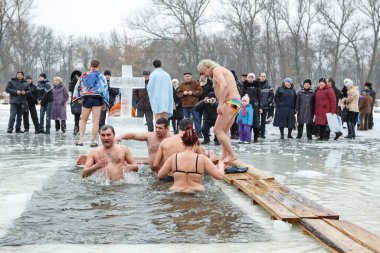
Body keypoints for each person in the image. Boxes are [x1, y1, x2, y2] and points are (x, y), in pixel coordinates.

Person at [157, 125, 225, 193]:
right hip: (196, 193)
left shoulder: (174, 157)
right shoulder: (202, 158)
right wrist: (221, 165)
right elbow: (219, 176)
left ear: (183, 142)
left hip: (176, 192)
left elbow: (160, 175)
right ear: (196, 142)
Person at [197, 59, 241, 163]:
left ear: (208, 67)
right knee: (225, 131)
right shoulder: (221, 70)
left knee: (217, 130)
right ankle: (225, 156)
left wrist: (220, 103)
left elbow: (224, 86)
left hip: (229, 102)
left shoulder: (216, 70)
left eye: (203, 72)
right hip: (236, 102)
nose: (204, 75)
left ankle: (232, 154)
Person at [72, 60, 110, 147]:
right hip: (97, 100)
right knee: (96, 121)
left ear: (90, 65)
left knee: (83, 120)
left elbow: (78, 87)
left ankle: (81, 140)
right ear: (98, 66)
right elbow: (105, 89)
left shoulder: (84, 75)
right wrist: (105, 102)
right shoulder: (101, 76)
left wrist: (79, 97)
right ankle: (92, 141)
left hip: (87, 99)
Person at [176, 72, 203, 137]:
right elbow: (178, 94)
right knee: (186, 120)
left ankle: (198, 133)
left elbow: (200, 91)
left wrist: (192, 92)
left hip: (194, 104)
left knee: (196, 118)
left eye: (188, 76)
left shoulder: (196, 83)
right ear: (184, 77)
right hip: (185, 104)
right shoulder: (181, 84)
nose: (187, 77)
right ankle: (188, 132)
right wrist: (183, 93)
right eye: (186, 76)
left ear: (191, 77)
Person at [241, 73, 262, 142]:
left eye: (252, 77)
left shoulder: (257, 86)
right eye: (249, 77)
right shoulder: (244, 86)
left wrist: (260, 107)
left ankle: (256, 137)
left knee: (256, 123)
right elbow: (241, 96)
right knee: (247, 123)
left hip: (255, 106)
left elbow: (260, 97)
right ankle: (248, 137)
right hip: (246, 107)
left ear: (254, 78)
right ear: (247, 78)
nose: (250, 79)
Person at [258, 72, 274, 138]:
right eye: (261, 76)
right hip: (257, 106)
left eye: (264, 76)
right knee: (257, 120)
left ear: (265, 77)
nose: (263, 77)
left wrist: (268, 102)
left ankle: (262, 133)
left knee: (263, 121)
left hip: (265, 106)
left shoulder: (269, 86)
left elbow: (271, 96)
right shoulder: (256, 85)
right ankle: (257, 132)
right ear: (259, 76)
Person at [68, 70, 82, 135]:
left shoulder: (82, 82)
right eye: (75, 76)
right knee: (76, 115)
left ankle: (79, 128)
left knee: (80, 115)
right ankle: (76, 128)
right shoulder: (71, 82)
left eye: (78, 76)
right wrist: (73, 81)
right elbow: (70, 89)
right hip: (75, 100)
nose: (76, 77)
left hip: (81, 100)